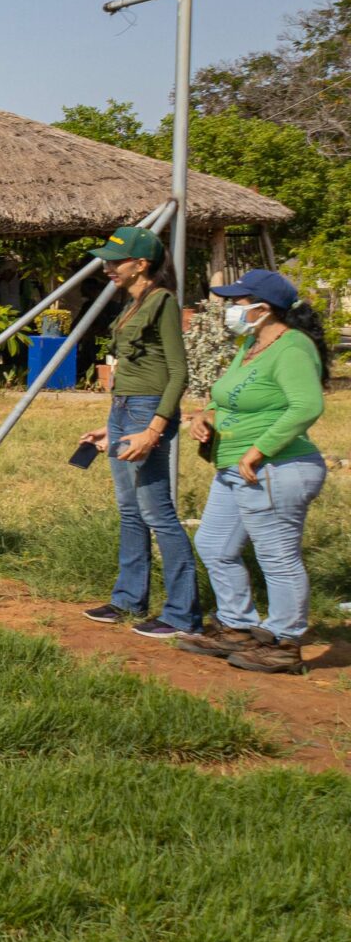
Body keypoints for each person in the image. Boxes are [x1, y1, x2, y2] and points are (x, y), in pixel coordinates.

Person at [177, 269, 330, 675]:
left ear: (263, 309)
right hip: (234, 466)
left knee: (276, 557)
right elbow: (230, 397)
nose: (231, 308)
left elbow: (306, 406)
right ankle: (237, 626)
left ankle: (284, 641)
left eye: (238, 302)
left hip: (276, 467)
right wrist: (205, 416)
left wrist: (258, 450)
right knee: (214, 545)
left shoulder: (293, 348)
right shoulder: (251, 343)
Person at [73, 225, 199, 638]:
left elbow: (178, 371)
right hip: (123, 408)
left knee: (157, 512)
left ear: (141, 264)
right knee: (130, 511)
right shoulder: (130, 302)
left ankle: (182, 615)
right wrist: (111, 428)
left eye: (115, 261)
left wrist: (154, 429)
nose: (107, 267)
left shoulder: (161, 301)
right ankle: (128, 599)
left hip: (148, 412)